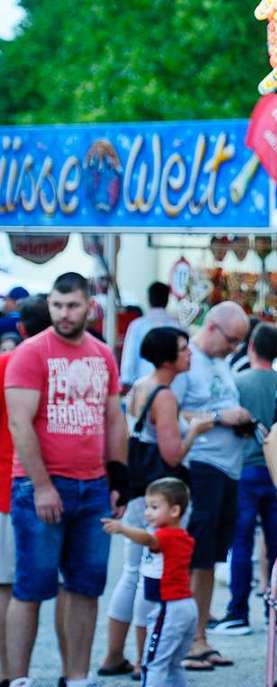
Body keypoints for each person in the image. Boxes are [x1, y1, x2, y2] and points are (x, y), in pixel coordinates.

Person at [4, 272, 130, 687]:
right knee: (31, 587)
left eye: (72, 306)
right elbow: (20, 425)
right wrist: (41, 486)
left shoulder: (101, 354)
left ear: (88, 306)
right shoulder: (31, 353)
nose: (64, 314)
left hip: (92, 485)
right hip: (39, 486)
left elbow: (114, 419)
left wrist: (118, 479)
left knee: (85, 586)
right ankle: (18, 678)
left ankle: (76, 675)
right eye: (57, 306)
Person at [99, 327, 213, 679]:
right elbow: (172, 454)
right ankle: (140, 659)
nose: (190, 354)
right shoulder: (164, 396)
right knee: (150, 573)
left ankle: (114, 655)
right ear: (168, 357)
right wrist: (195, 431)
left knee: (132, 572)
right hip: (160, 493)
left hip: (138, 489)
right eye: (183, 349)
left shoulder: (139, 386)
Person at [170, 301, 252, 670]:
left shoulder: (220, 362)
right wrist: (221, 417)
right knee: (196, 556)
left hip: (227, 468)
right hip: (201, 466)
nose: (235, 348)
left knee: (209, 559)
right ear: (213, 327)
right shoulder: (187, 361)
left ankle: (200, 636)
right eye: (232, 340)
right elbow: (168, 412)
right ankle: (187, 640)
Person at [212, 323, 277, 635]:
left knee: (240, 543)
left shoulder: (237, 382)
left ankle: (238, 612)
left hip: (244, 468)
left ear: (252, 347)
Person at [102, 478, 197, 687]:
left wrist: (122, 528)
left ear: (174, 511)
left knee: (152, 663)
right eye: (147, 506)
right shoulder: (182, 536)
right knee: (173, 664)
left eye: (154, 507)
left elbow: (148, 539)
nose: (147, 512)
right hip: (185, 607)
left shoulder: (166, 536)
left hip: (168, 608)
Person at [0, 296, 50, 685]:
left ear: (21, 328)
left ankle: (9, 674)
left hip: (10, 487)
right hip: (37, 486)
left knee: (9, 587)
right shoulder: (54, 366)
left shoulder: (7, 364)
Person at [119, 283, 177, 393]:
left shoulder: (138, 325)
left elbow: (129, 357)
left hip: (144, 387)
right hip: (173, 387)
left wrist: (126, 382)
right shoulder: (178, 326)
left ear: (149, 299)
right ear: (167, 299)